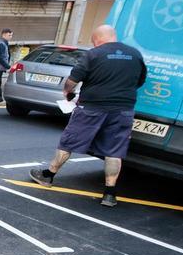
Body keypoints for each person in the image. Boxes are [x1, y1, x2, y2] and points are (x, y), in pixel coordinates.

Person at [29, 24, 147, 207]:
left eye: (93, 41)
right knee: (114, 150)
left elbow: (72, 81)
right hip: (123, 109)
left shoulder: (94, 54)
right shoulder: (135, 54)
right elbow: (140, 81)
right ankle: (109, 194)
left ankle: (48, 175)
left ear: (97, 39)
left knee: (69, 142)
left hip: (92, 107)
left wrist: (68, 93)